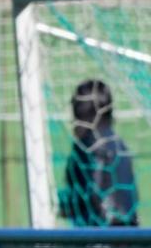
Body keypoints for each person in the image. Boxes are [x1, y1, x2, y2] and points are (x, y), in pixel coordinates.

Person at [58, 79, 139, 227]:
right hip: (130, 235)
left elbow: (93, 193)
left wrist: (65, 205)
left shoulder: (88, 145)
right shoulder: (120, 145)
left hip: (100, 238)